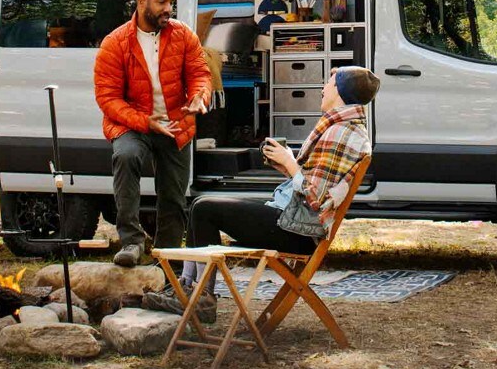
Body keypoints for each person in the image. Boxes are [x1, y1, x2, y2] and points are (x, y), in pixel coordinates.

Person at [142, 66, 381, 321]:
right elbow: (314, 187)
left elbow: (317, 198)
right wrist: (287, 167)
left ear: (341, 92)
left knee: (204, 209)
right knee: (201, 204)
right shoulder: (346, 128)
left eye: (330, 84)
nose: (323, 88)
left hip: (296, 231)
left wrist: (290, 163)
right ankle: (188, 288)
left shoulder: (340, 132)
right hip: (294, 222)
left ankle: (201, 298)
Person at [94, 0, 212, 267]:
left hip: (176, 123)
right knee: (126, 156)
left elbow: (200, 74)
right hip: (134, 122)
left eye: (170, 2)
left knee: (173, 196)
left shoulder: (183, 35)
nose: (168, 9)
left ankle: (167, 260)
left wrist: (199, 96)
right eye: (161, 2)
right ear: (142, 1)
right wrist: (145, 122)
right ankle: (132, 242)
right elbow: (108, 98)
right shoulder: (114, 43)